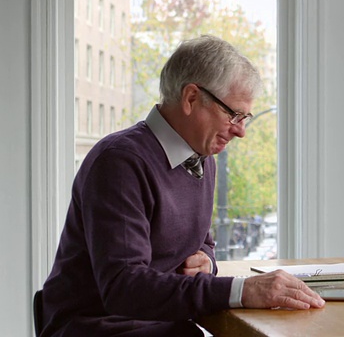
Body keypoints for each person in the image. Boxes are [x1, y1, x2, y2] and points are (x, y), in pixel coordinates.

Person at [40, 35, 324, 337]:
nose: (241, 130)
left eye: (245, 117)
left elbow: (203, 243)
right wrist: (242, 289)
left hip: (164, 326)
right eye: (234, 114)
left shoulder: (202, 157)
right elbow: (123, 287)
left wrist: (206, 262)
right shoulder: (120, 162)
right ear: (191, 98)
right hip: (96, 328)